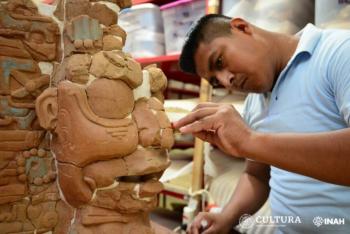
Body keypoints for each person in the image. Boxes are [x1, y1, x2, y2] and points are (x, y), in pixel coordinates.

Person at [173, 14, 350, 234]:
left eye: (219, 61)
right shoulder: (254, 103)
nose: (227, 80)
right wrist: (226, 218)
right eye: (216, 81)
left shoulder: (338, 52)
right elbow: (257, 175)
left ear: (242, 27)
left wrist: (249, 141)